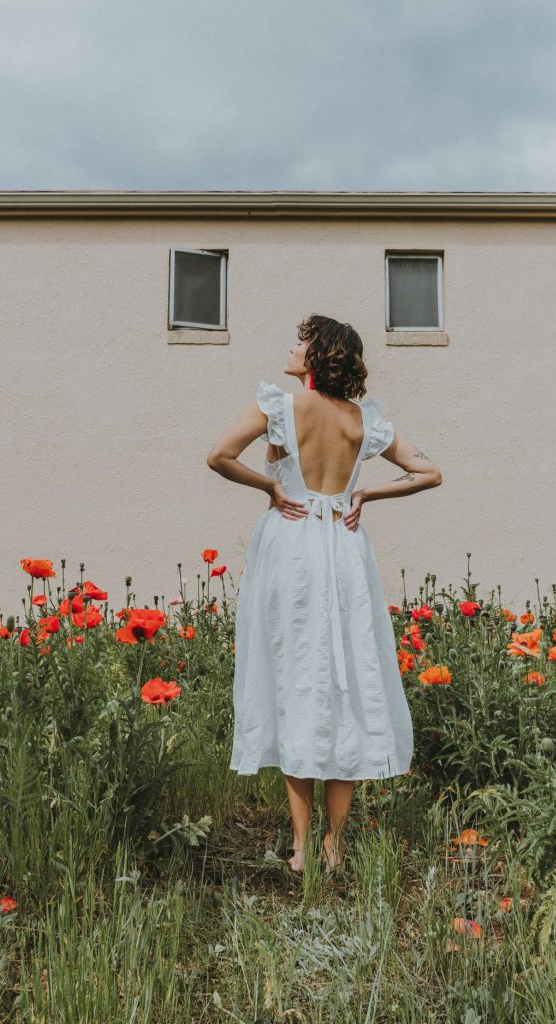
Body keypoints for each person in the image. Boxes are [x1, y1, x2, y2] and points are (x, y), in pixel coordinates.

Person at [207, 314, 443, 875]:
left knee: (295, 681)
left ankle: (302, 847)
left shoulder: (278, 407)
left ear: (318, 357)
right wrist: (367, 494)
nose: (291, 348)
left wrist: (271, 486)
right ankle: (335, 847)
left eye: (301, 342)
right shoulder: (362, 421)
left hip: (291, 550)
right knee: (347, 683)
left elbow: (218, 456)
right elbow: (429, 472)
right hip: (342, 548)